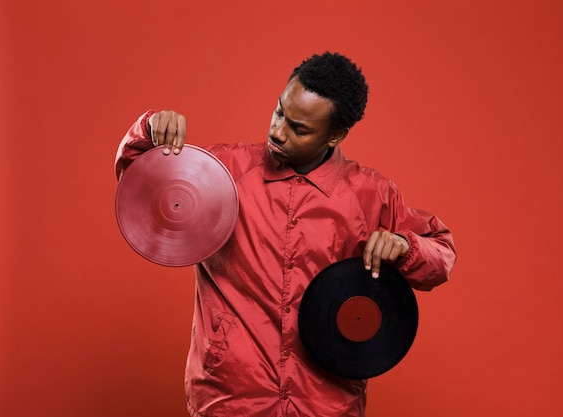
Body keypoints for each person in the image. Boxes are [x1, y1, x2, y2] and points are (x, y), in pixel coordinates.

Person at [115, 52, 456, 417]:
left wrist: (405, 246)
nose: (278, 131)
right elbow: (140, 181)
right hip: (229, 397)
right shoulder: (222, 172)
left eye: (300, 128)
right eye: (279, 112)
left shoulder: (370, 193)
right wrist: (149, 130)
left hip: (325, 404)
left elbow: (441, 254)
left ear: (336, 134)